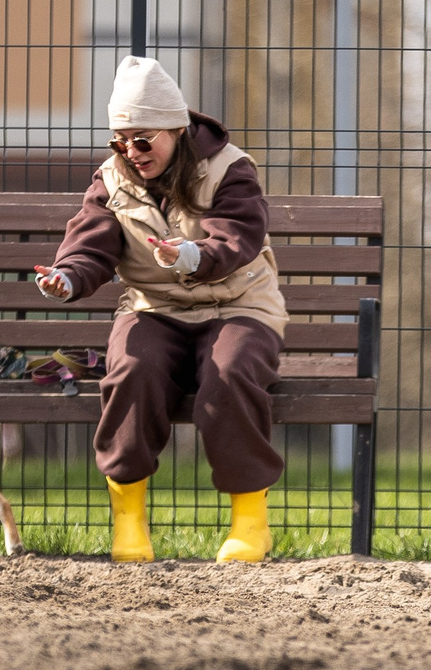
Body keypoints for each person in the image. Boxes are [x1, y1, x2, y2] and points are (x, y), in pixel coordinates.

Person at [35, 56, 285, 562]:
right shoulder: (111, 180)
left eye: (143, 139)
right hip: (154, 305)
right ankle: (129, 523)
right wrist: (67, 277)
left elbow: (238, 237)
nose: (131, 151)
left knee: (230, 372)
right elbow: (91, 247)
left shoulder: (230, 168)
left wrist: (193, 254)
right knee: (131, 369)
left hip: (236, 304)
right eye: (120, 141)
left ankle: (250, 522)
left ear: (177, 129)